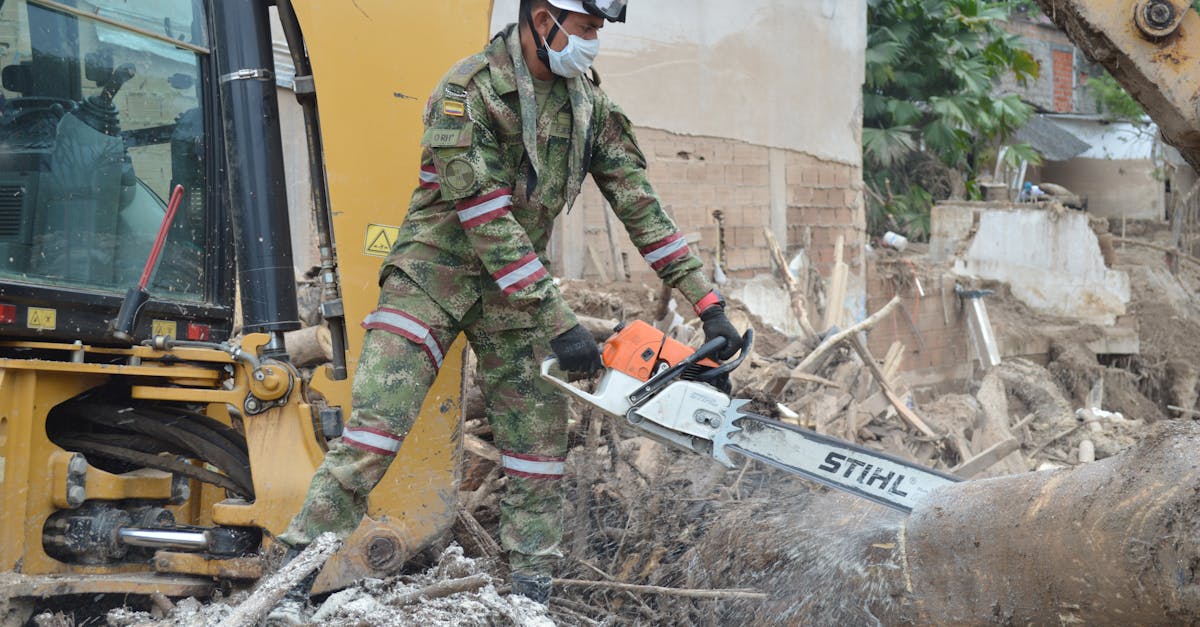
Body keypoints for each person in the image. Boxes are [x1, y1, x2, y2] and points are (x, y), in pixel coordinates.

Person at [269, 0, 742, 618]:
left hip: (514, 294)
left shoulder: (589, 108)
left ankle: (529, 602)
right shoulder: (467, 92)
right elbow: (486, 220)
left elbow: (641, 206)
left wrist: (707, 304)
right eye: (587, 26)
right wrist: (559, 323)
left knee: (537, 452)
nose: (594, 40)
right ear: (542, 18)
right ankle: (284, 587)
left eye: (600, 30)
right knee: (372, 437)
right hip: (432, 276)